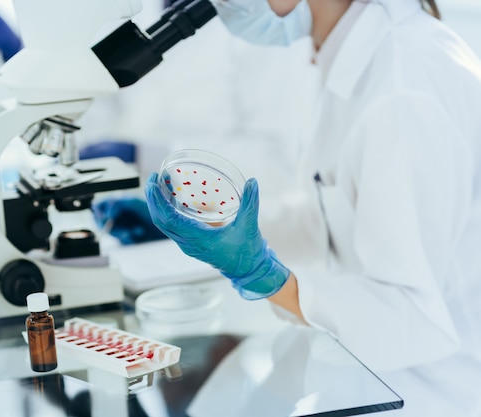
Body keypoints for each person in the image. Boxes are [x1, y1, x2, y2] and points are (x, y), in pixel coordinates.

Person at [145, 0, 481, 415]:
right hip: (363, 367)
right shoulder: (355, 51)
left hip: (425, 390)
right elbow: (332, 216)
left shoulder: (403, 90)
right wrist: (215, 217)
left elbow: (410, 315)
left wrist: (261, 275)